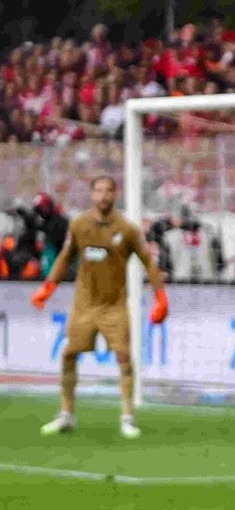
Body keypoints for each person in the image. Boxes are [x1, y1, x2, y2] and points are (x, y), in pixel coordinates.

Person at [31, 176, 169, 439]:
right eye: (98, 190)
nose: (103, 195)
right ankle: (66, 415)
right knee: (69, 355)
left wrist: (161, 298)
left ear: (115, 194)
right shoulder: (79, 224)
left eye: (108, 190)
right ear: (92, 194)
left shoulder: (127, 229)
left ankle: (127, 418)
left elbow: (148, 262)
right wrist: (47, 288)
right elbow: (65, 257)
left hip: (114, 305)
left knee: (124, 358)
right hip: (84, 305)